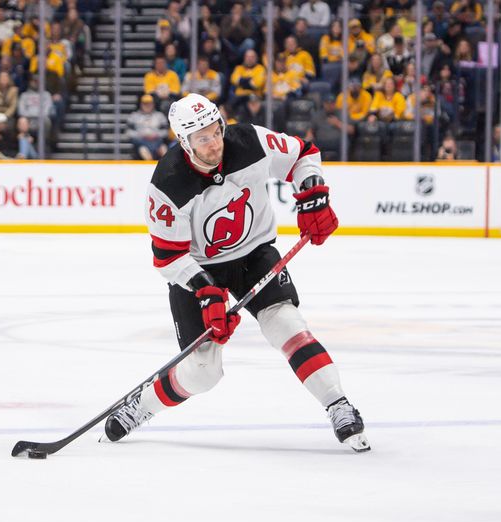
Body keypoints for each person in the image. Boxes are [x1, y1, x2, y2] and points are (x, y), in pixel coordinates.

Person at [103, 93, 370, 453]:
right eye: (202, 138)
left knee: (287, 324)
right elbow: (168, 258)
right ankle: (144, 403)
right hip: (198, 270)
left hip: (254, 255)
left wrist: (312, 194)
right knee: (203, 371)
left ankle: (338, 403)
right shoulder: (167, 184)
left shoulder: (251, 141)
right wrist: (206, 291)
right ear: (184, 141)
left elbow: (303, 154)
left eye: (216, 131)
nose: (214, 144)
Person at [126, 94, 168, 160]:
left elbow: (165, 132)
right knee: (143, 150)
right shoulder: (134, 116)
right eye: (145, 104)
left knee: (163, 148)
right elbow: (128, 132)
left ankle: (165, 167)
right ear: (141, 104)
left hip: (157, 141)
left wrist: (156, 135)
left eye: (150, 104)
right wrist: (141, 135)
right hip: (141, 142)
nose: (147, 106)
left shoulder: (159, 116)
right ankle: (149, 167)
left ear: (153, 104)